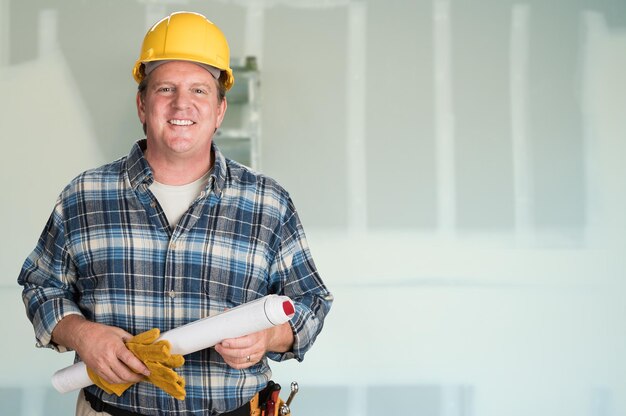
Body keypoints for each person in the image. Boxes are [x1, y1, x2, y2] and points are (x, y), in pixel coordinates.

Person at [17, 11, 332, 416]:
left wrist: (271, 335)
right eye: (166, 88)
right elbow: (41, 285)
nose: (182, 103)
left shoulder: (268, 203)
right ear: (142, 104)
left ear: (219, 110)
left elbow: (312, 301)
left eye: (200, 90)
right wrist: (82, 335)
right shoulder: (84, 196)